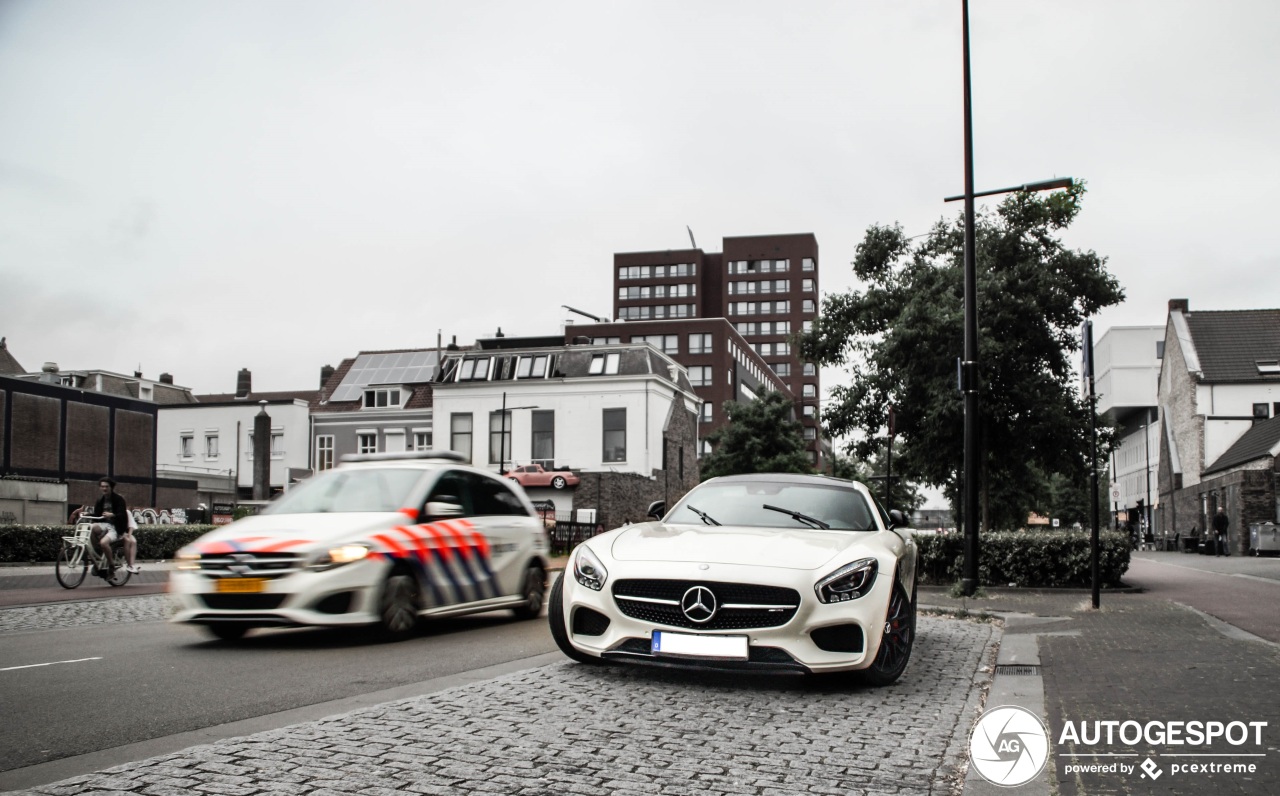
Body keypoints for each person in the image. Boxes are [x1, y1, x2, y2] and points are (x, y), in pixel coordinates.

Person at [90, 477, 140, 574]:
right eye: (102, 486)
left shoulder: (119, 499)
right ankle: (98, 550)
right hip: (105, 524)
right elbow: (96, 515)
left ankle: (111, 565)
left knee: (104, 543)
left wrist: (112, 515)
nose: (104, 489)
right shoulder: (100, 500)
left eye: (106, 486)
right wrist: (85, 514)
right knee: (91, 527)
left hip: (115, 527)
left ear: (111, 487)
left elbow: (122, 515)